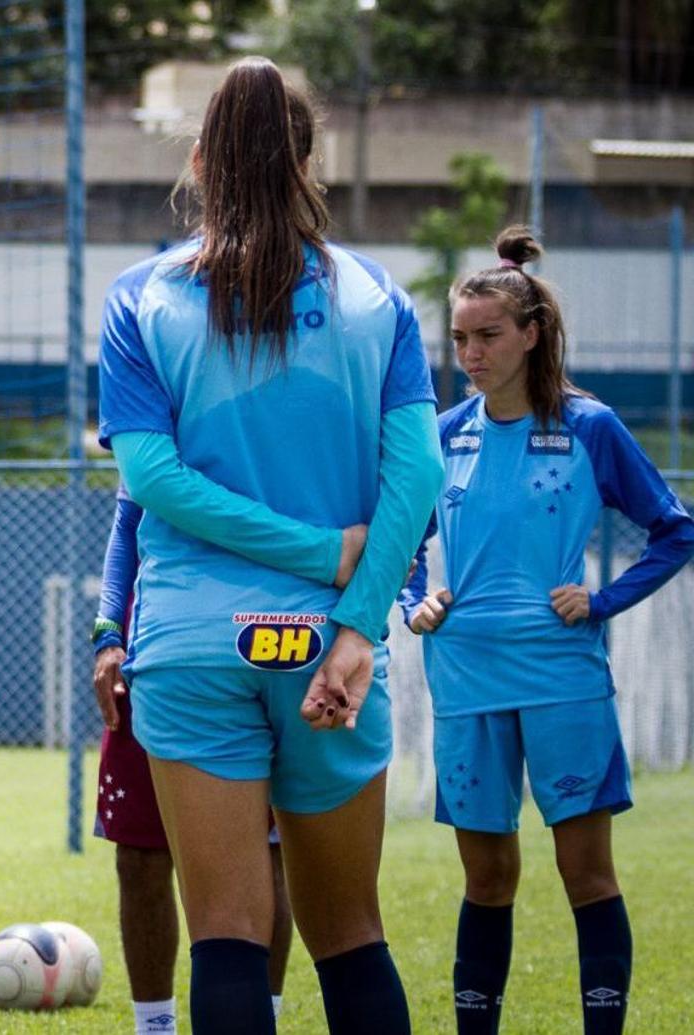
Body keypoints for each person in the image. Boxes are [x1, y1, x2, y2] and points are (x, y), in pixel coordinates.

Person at [96, 57, 443, 1034]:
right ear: (308, 159)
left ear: (202, 160)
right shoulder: (379, 300)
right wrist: (354, 615)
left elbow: (153, 482)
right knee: (349, 933)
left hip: (193, 645)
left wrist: (314, 552)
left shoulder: (140, 299)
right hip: (324, 642)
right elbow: (414, 483)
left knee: (227, 937)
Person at [400, 227, 694, 1035]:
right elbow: (399, 543)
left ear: (532, 333)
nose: (471, 353)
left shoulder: (591, 426)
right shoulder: (444, 433)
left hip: (563, 678)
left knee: (586, 873)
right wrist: (413, 598)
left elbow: (675, 530)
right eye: (460, 338)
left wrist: (599, 602)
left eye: (488, 335)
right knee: (487, 876)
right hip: (463, 679)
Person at [90, 488, 296, 1035]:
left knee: (267, 850)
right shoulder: (157, 412)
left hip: (269, 631)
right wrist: (109, 630)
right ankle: (153, 1027)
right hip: (161, 641)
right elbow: (128, 520)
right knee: (137, 854)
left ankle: (264, 1018)